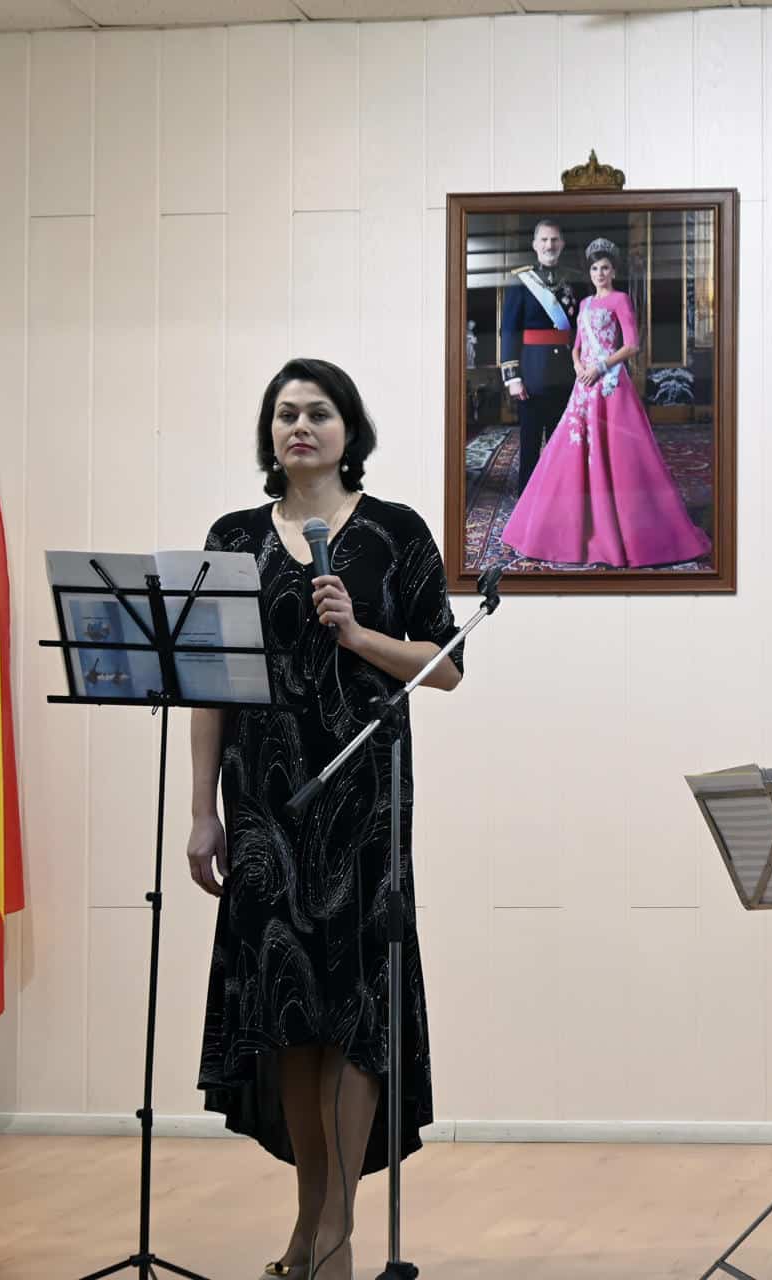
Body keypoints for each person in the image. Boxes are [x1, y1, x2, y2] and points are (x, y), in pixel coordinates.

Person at [186, 358, 466, 1280]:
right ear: (270, 435)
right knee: (289, 1016)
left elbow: (446, 665)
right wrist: (202, 813)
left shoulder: (395, 535)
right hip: (264, 805)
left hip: (363, 803)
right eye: (285, 414)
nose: (300, 427)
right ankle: (311, 1223)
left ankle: (335, 1233)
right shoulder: (232, 537)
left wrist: (357, 635)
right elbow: (209, 689)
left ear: (351, 431)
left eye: (319, 413)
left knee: (354, 1012)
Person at [500, 237, 711, 568]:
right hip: (584, 387)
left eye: (606, 268)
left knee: (618, 454)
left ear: (614, 271)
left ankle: (625, 527)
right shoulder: (584, 305)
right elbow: (576, 344)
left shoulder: (620, 300)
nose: (600, 273)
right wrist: (578, 366)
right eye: (595, 268)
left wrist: (599, 367)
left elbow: (632, 345)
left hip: (610, 386)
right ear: (591, 271)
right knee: (569, 452)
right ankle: (565, 529)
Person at [499, 218, 584, 491]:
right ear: (535, 245)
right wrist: (513, 378)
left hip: (567, 375)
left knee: (565, 443)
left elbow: (583, 328)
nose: (550, 245)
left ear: (562, 244)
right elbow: (509, 331)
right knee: (531, 444)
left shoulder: (575, 279)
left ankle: (562, 498)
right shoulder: (521, 281)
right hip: (532, 375)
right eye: (544, 240)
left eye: (555, 239)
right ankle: (528, 500)